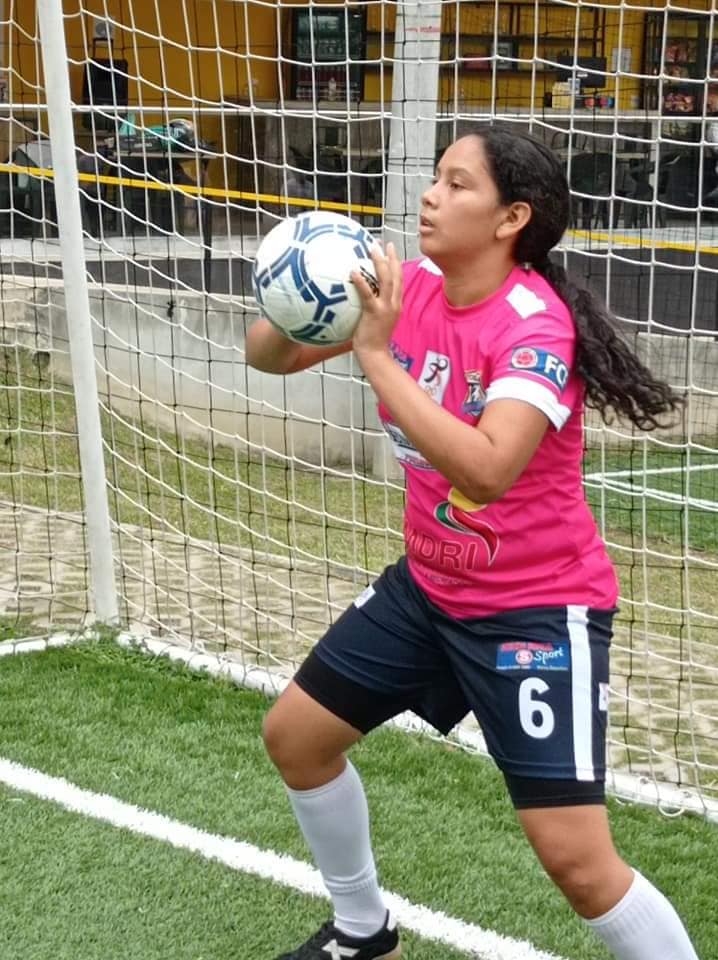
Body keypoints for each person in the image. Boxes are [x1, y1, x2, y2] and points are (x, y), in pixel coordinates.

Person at [245, 125, 698, 960]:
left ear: (510, 218)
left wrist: (377, 357)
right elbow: (268, 356)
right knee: (297, 739)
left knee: (580, 866)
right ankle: (363, 929)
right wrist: (293, 286)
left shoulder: (534, 328)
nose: (430, 196)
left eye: (458, 185)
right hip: (430, 588)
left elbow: (489, 469)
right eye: (435, 178)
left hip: (533, 612)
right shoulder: (407, 288)